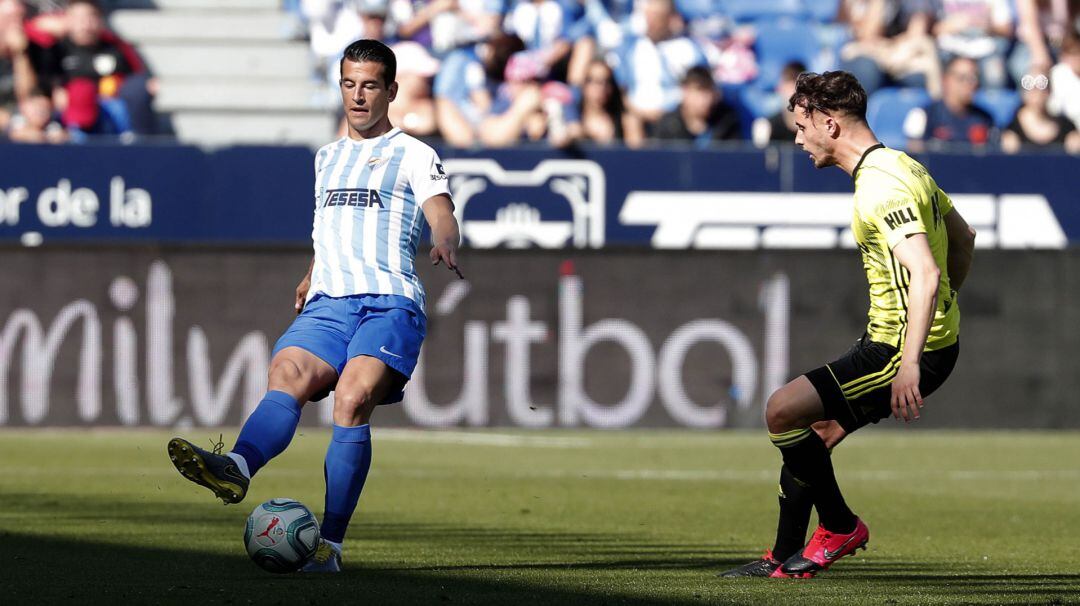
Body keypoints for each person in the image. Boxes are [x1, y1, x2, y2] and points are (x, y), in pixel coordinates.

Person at [167, 39, 463, 574]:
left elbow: (440, 210)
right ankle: (235, 466)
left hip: (389, 303)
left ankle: (329, 547)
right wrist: (312, 271)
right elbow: (332, 228)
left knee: (350, 400)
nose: (357, 95)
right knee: (287, 372)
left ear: (391, 90)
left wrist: (445, 239)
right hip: (330, 300)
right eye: (349, 84)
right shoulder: (326, 157)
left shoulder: (414, 153)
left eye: (370, 85)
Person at [721, 70, 975, 579]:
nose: (796, 138)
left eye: (800, 126)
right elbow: (963, 237)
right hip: (914, 343)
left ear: (829, 124)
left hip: (902, 351)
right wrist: (945, 304)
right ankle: (784, 558)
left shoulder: (881, 187)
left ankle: (838, 526)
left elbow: (925, 271)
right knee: (812, 432)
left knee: (780, 410)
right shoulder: (904, 166)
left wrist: (908, 364)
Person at [906, 56, 994, 151]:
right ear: (945, 80)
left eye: (974, 78)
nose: (971, 84)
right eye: (962, 78)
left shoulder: (985, 118)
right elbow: (915, 156)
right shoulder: (924, 115)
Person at [653, 65, 740, 145]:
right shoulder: (668, 125)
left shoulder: (726, 121)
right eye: (699, 91)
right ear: (685, 92)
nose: (706, 99)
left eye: (708, 91)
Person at [1001, 72, 1080, 153]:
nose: (1037, 94)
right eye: (1030, 86)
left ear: (1050, 91)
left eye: (1042, 86)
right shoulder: (1012, 129)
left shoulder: (1066, 128)